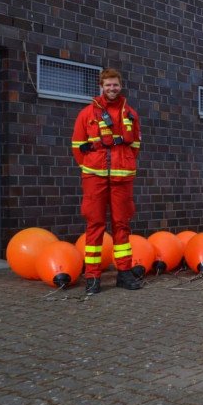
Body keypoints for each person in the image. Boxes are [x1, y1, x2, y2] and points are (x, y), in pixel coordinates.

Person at [71, 68, 142, 294]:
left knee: (122, 225)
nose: (112, 88)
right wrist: (89, 167)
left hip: (122, 177)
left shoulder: (130, 113)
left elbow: (135, 145)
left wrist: (124, 162)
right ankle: (92, 277)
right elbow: (77, 146)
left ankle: (124, 273)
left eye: (115, 85)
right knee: (95, 225)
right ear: (101, 87)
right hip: (95, 177)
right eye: (108, 85)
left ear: (121, 86)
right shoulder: (86, 113)